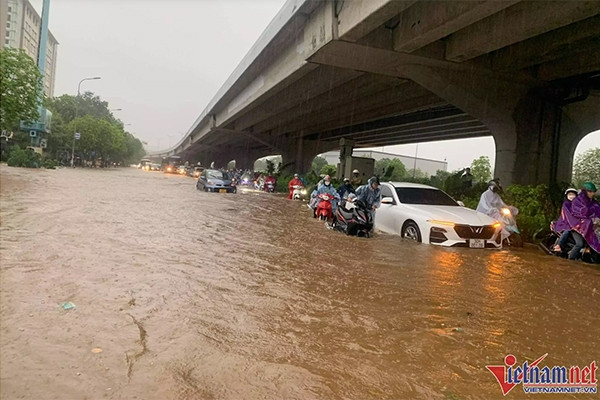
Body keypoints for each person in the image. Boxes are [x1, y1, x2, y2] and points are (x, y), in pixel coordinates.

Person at [568, 182, 600, 260]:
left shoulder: (594, 202)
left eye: (593, 192)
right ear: (584, 191)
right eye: (590, 191)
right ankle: (569, 261)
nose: (592, 193)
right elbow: (578, 213)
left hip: (591, 228)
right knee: (579, 244)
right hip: (577, 227)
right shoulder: (577, 201)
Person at [551, 188, 579, 252]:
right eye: (570, 194)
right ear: (566, 196)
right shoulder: (566, 204)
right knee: (567, 230)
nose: (571, 196)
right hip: (565, 221)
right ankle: (559, 245)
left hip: (574, 222)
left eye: (573, 195)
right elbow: (568, 214)